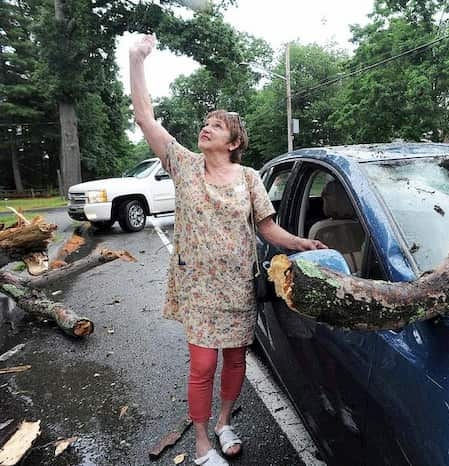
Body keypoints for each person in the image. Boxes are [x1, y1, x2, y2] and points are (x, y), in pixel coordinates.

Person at [129, 34, 326, 466]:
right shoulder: (183, 164)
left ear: (233, 142)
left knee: (235, 362)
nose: (206, 127)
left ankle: (223, 422)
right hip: (198, 289)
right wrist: (136, 58)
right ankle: (200, 441)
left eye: (217, 125)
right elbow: (144, 117)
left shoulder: (250, 178)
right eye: (206, 122)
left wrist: (302, 243)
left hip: (239, 287)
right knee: (202, 367)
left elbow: (268, 228)